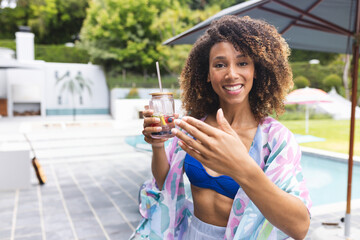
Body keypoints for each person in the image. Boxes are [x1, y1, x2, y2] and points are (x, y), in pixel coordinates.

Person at [131, 15, 311, 240]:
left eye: (242, 63)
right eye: (220, 64)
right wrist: (158, 146)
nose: (232, 74)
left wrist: (242, 167)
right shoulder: (193, 128)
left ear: (256, 70)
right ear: (207, 73)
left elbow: (300, 227)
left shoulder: (275, 139)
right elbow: (164, 182)